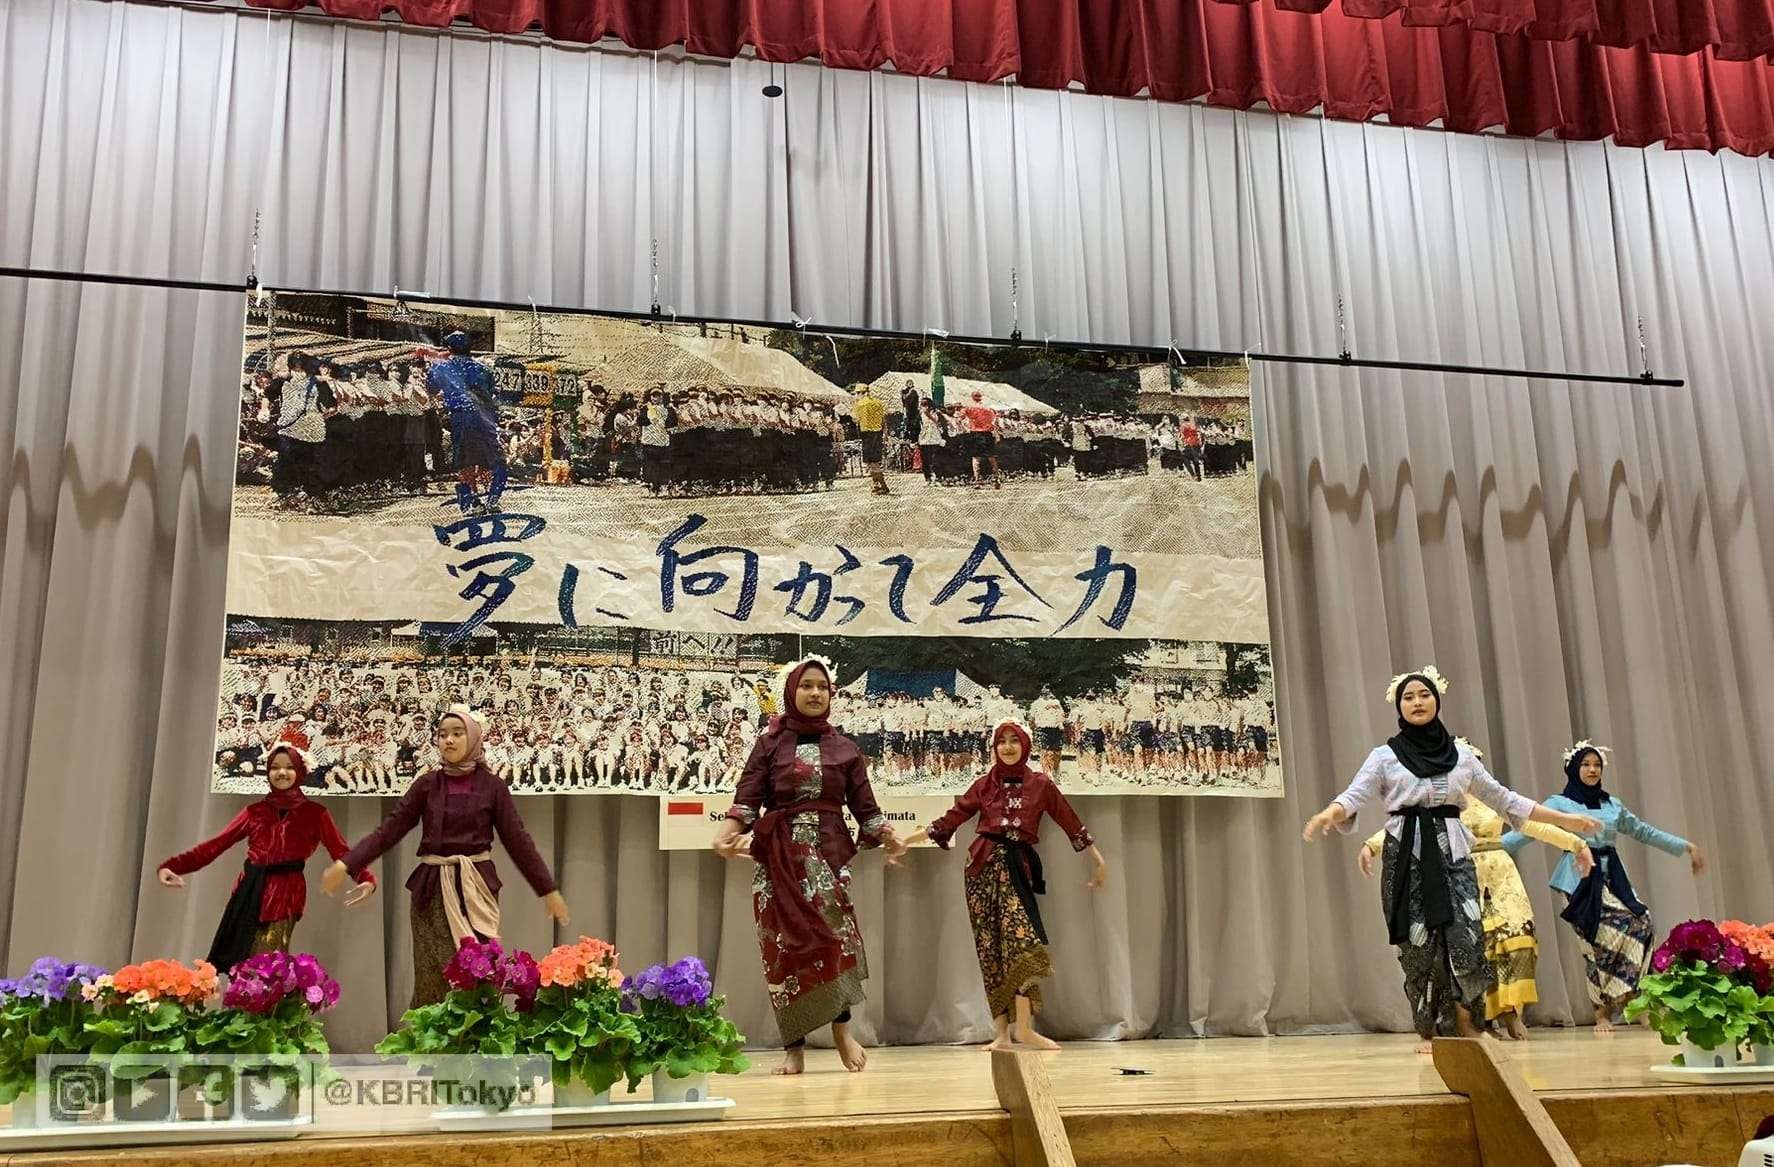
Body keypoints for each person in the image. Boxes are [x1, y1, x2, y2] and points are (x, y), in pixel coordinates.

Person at [1301, 668, 1601, 1052]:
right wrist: (1332, 813)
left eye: (1423, 695)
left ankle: (1468, 1021)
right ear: (1399, 706)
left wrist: (1567, 820)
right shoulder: (1384, 756)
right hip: (1407, 854)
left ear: (1437, 701)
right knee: (1419, 945)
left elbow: (1506, 800)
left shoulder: (1461, 757)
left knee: (1467, 938)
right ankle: (1430, 1031)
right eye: (1408, 697)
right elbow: (1355, 794)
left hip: (1455, 853)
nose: (1417, 702)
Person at [712, 658, 902, 1075]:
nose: (815, 693)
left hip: (827, 857)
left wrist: (888, 836)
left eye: (823, 687)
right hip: (777, 858)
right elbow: (745, 800)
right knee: (782, 948)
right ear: (791, 692)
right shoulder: (767, 745)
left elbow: (866, 810)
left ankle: (841, 1031)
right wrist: (726, 832)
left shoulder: (845, 749)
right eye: (807, 686)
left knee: (833, 943)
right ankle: (792, 1046)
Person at [321, 707, 569, 1007]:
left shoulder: (493, 787)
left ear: (474, 737)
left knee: (477, 972)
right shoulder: (427, 785)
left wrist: (548, 889)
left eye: (457, 733)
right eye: (442, 734)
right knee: (432, 975)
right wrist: (347, 863)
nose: (448, 740)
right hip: (430, 891)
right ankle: (430, 1049)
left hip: (476, 889)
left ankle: (473, 1047)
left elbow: (519, 841)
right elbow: (390, 830)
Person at [1360, 738, 1593, 1040]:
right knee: (1470, 952)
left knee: (1517, 937)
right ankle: (1474, 1021)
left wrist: (1576, 842)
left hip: (1500, 876)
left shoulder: (1492, 800)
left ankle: (1512, 1013)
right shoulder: (1444, 800)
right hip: (1458, 874)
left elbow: (1531, 824)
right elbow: (1406, 824)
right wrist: (1370, 846)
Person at [898, 721, 1107, 1050]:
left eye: (1014, 740)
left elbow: (1070, 821)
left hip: (1016, 870)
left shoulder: (1040, 784)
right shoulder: (983, 785)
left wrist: (1097, 858)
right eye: (1001, 741)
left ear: (1025, 745)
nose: (1007, 747)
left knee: (1019, 946)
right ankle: (1001, 1033)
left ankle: (1024, 1028)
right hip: (980, 870)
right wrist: (908, 840)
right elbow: (950, 820)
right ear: (993, 747)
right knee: (991, 950)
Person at [1503, 739, 1705, 1033]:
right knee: (1593, 945)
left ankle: (1635, 1001)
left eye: (1597, 765)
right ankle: (1601, 1013)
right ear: (1573, 768)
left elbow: (1643, 832)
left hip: (1613, 878)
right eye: (1585, 764)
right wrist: (1490, 848)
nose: (1592, 769)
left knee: (1642, 924)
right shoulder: (1560, 805)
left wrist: (1684, 846)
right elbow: (1529, 830)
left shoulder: (1612, 805)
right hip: (1578, 880)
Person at [158, 744, 376, 973]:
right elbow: (216, 845)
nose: (282, 773)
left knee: (269, 965)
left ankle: (266, 1008)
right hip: (249, 891)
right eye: (275, 768)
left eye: (289, 767)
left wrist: (365, 877)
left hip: (285, 893)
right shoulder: (255, 812)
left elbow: (341, 852)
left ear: (300, 771)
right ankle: (244, 1008)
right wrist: (173, 866)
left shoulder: (315, 814)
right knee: (241, 964)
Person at [422, 331, 506, 514]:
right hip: (486, 416)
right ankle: (491, 499)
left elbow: (431, 388)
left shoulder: (442, 367)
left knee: (464, 460)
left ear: (449, 348)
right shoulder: (484, 369)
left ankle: (474, 501)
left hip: (462, 416)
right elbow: (490, 391)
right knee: (487, 459)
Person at [851, 385, 889, 495]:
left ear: (864, 393)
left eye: (858, 393)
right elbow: (883, 420)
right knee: (875, 461)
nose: (856, 396)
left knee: (872, 462)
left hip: (867, 434)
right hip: (878, 433)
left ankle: (878, 485)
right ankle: (880, 484)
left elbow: (855, 419)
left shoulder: (860, 405)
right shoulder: (878, 403)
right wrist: (885, 434)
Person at [961, 390, 1000, 489]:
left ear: (972, 397)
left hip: (976, 433)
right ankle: (996, 479)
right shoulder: (989, 408)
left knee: (976, 458)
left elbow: (960, 416)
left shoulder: (969, 407)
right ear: (981, 397)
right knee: (991, 457)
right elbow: (995, 421)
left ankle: (977, 480)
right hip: (987, 433)